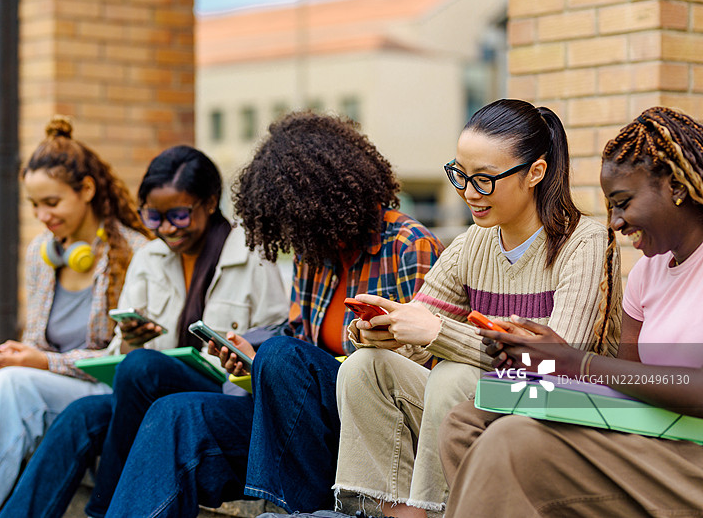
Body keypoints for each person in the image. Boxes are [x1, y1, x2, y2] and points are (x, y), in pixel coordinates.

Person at [101, 111, 444, 517]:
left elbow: (425, 371)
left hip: (368, 425)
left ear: (330, 200)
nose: (294, 235)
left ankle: (299, 510)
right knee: (176, 415)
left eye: (299, 219)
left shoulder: (408, 245)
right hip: (300, 425)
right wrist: (251, 354)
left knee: (280, 355)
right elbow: (299, 341)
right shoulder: (313, 252)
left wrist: (278, 355)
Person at [329, 99, 621, 517]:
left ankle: (440, 509)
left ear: (535, 172)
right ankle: (387, 510)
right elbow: (419, 341)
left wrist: (438, 333)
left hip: (566, 412)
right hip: (484, 410)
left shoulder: (586, 244)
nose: (468, 192)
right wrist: (383, 332)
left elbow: (562, 366)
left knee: (454, 376)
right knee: (364, 368)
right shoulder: (471, 245)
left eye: (484, 179)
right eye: (460, 175)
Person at [0, 145, 288, 518]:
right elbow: (120, 358)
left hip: (220, 395)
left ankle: (103, 510)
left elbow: (274, 345)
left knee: (143, 367)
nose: (166, 228)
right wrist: (130, 341)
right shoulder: (149, 258)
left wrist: (242, 358)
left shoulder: (252, 255)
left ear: (210, 202)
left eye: (179, 215)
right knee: (81, 414)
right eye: (153, 216)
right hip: (148, 397)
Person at [439, 106, 703, 517]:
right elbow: (626, 381)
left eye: (623, 203)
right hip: (651, 432)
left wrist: (577, 363)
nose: (615, 222)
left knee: (512, 441)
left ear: (676, 188)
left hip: (691, 454)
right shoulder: (648, 273)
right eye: (610, 207)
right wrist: (544, 359)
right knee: (468, 421)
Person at [0, 116, 151, 518]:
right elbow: (37, 343)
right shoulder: (42, 253)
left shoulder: (137, 255)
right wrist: (15, 356)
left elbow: (122, 360)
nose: (42, 215)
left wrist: (41, 363)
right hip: (46, 386)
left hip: (102, 393)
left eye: (51, 202)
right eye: (34, 205)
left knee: (12, 385)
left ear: (87, 190)